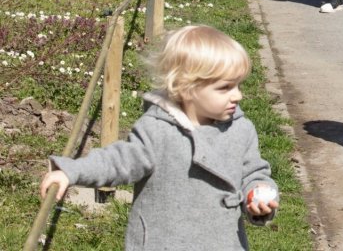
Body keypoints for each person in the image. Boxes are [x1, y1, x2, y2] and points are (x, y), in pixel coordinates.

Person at [38, 25, 279, 249]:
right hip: (163, 241)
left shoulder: (241, 129)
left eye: (238, 85)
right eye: (225, 88)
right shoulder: (158, 130)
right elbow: (117, 161)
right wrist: (71, 171)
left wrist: (257, 193)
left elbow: (253, 172)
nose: (237, 95)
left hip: (223, 242)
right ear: (187, 88)